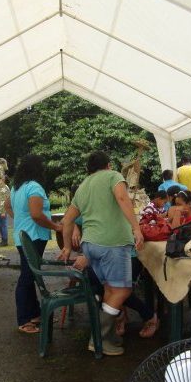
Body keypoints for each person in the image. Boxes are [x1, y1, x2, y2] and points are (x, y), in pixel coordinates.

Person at [59, 151, 144, 356]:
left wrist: (67, 247)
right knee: (122, 290)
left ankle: (108, 336)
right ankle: (99, 338)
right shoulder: (113, 176)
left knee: (109, 289)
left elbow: (67, 220)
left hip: (90, 246)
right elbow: (122, 198)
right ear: (108, 165)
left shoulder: (83, 185)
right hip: (112, 243)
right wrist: (136, 228)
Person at [5, 155, 62, 334]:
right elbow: (37, 215)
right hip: (33, 236)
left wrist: (20, 219)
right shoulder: (34, 187)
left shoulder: (17, 187)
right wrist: (55, 227)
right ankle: (24, 320)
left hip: (23, 235)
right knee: (27, 277)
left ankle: (35, 314)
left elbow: (7, 206)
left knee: (30, 275)